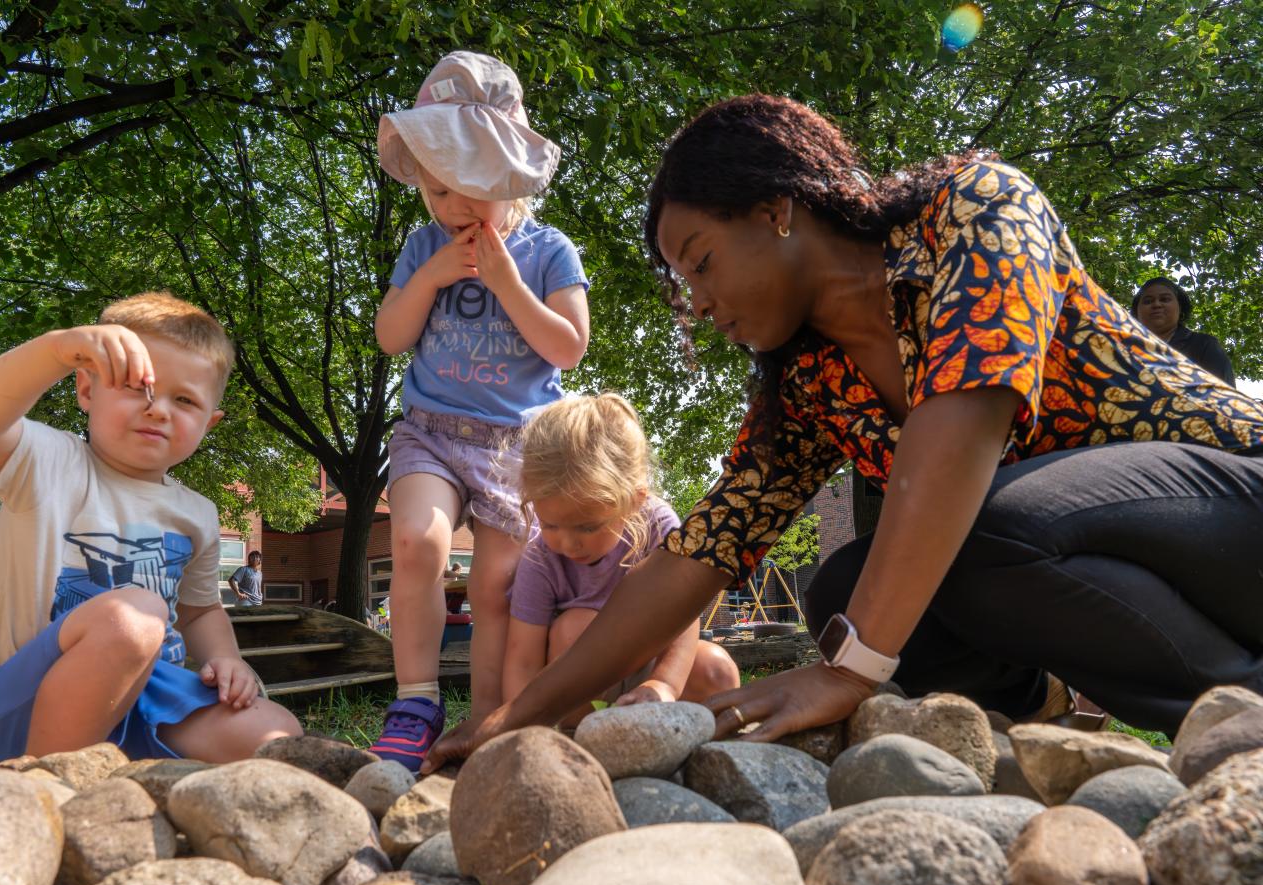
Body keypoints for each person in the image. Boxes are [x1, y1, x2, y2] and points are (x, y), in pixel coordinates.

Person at [425, 94, 1263, 771]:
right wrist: (515, 716)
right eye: (686, 287)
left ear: (776, 208)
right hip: (1064, 540)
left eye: (703, 261)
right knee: (841, 591)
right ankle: (1042, 704)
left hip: (1233, 496)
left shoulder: (972, 207)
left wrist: (845, 673)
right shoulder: (810, 378)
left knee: (963, 539)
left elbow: (962, 428)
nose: (702, 307)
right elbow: (697, 554)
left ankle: (1245, 705)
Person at [0, 292, 303, 765]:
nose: (159, 410)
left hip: (141, 698)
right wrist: (57, 349)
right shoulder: (48, 462)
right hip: (12, 701)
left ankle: (116, 772)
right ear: (87, 389)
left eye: (185, 400)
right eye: (138, 387)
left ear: (208, 424)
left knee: (276, 734)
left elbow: (199, 613)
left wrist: (228, 658)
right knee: (134, 618)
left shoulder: (197, 513)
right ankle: (44, 784)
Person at [370, 51, 590, 771]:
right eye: (437, 192)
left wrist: (508, 283)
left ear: (508, 175)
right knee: (418, 545)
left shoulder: (547, 250)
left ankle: (487, 716)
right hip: (430, 432)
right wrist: (431, 276)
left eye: (469, 189)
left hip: (515, 445)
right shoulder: (422, 245)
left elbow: (569, 347)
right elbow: (389, 335)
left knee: (498, 586)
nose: (453, 208)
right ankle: (416, 699)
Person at [502, 394, 740, 725]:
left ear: (634, 500)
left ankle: (693, 751)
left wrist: (664, 683)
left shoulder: (660, 525)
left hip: (650, 662)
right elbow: (522, 659)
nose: (568, 543)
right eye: (551, 524)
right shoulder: (541, 557)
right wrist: (518, 731)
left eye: (588, 526)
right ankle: (586, 739)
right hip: (577, 684)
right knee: (577, 627)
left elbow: (685, 618)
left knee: (718, 670)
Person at [1131, 277, 1235, 386]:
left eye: (1165, 299)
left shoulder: (1203, 345)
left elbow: (1225, 396)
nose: (1156, 304)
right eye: (1148, 301)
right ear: (1137, 312)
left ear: (1180, 308)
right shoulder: (1123, 348)